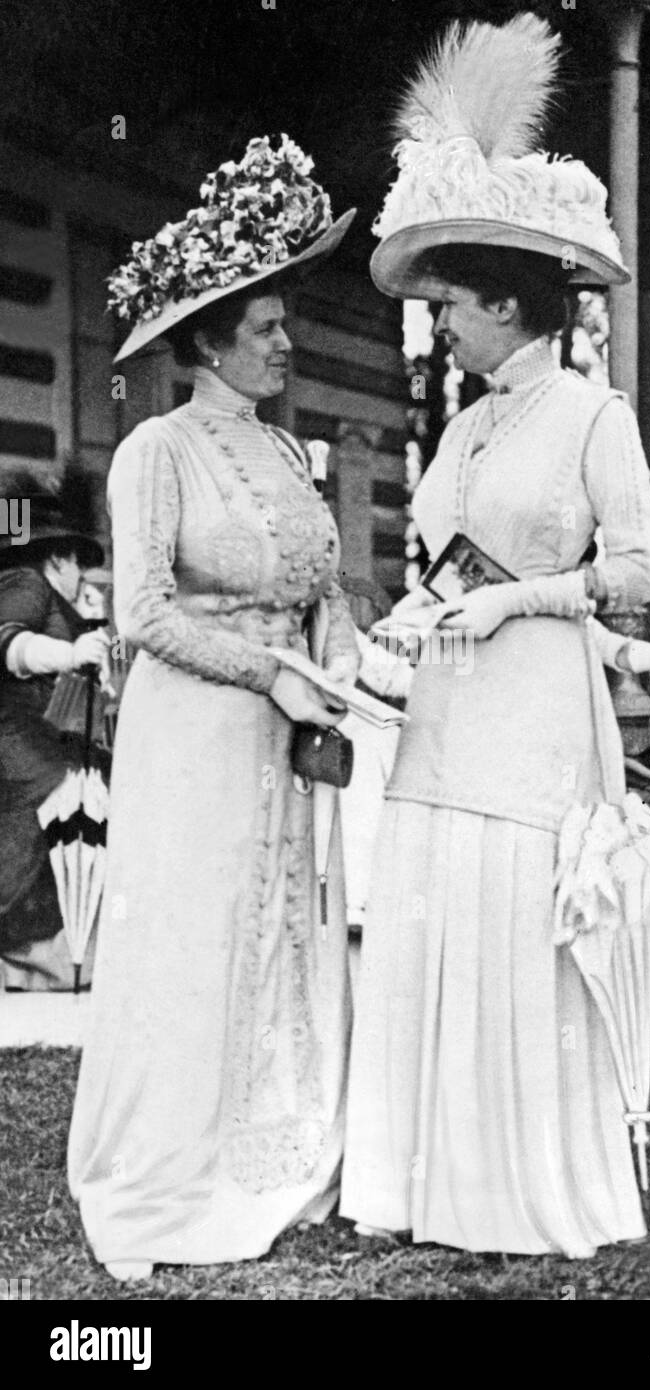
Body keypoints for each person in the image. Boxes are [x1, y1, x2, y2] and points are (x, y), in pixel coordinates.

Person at [340, 16, 650, 1256]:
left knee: (509, 922)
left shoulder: (593, 416)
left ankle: (513, 1181)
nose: (441, 325)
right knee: (434, 913)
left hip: (535, 703)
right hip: (444, 706)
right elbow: (440, 559)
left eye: (455, 306)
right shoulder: (467, 426)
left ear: (504, 301)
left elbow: (642, 568)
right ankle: (425, 1181)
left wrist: (522, 600)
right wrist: (404, 620)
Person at [68, 136, 359, 1280]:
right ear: (208, 342)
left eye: (285, 325)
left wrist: (335, 657)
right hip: (193, 732)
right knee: (197, 938)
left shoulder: (287, 448)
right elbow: (141, 614)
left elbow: (322, 581)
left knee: (278, 927)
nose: (287, 343)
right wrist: (266, 672)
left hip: (288, 731)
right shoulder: (157, 449)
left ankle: (274, 1143)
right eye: (268, 329)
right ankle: (174, 1165)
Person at [0, 473, 109, 990]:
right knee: (61, 807)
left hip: (32, 742)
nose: (82, 576)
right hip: (19, 746)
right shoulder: (26, 583)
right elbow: (8, 643)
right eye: (78, 564)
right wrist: (70, 653)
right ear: (58, 557)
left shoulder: (33, 586)